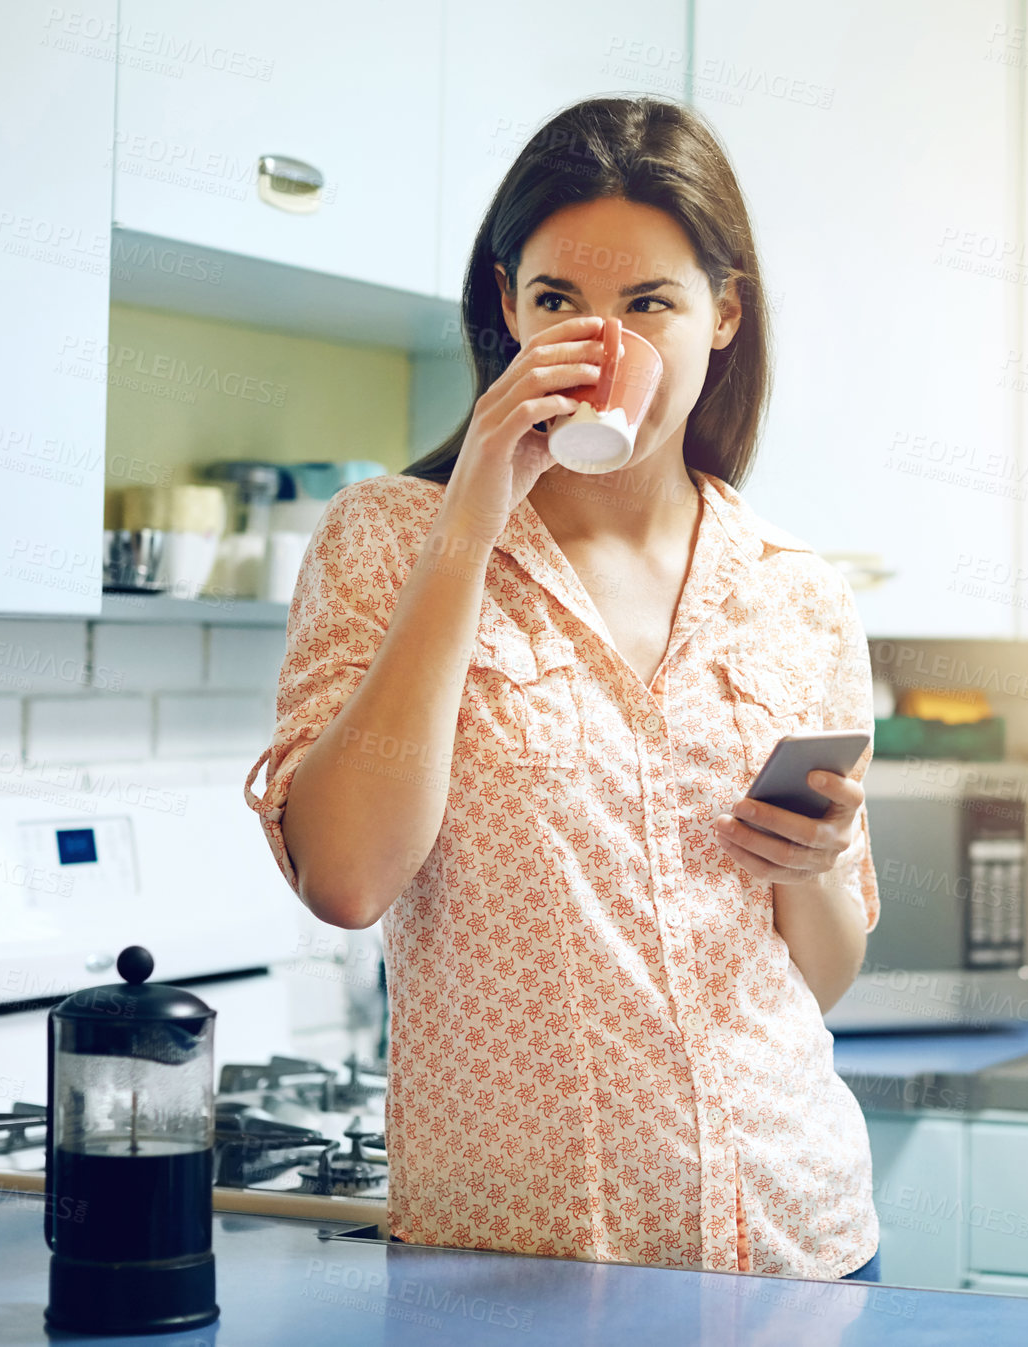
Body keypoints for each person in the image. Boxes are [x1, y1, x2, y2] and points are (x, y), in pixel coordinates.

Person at [244, 95, 882, 1284]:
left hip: (804, 1248)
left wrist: (809, 873)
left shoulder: (799, 594)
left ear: (723, 312)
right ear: (507, 309)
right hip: (518, 1266)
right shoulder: (387, 539)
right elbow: (343, 877)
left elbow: (822, 976)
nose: (600, 341)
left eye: (648, 303)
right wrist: (473, 519)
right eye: (557, 303)